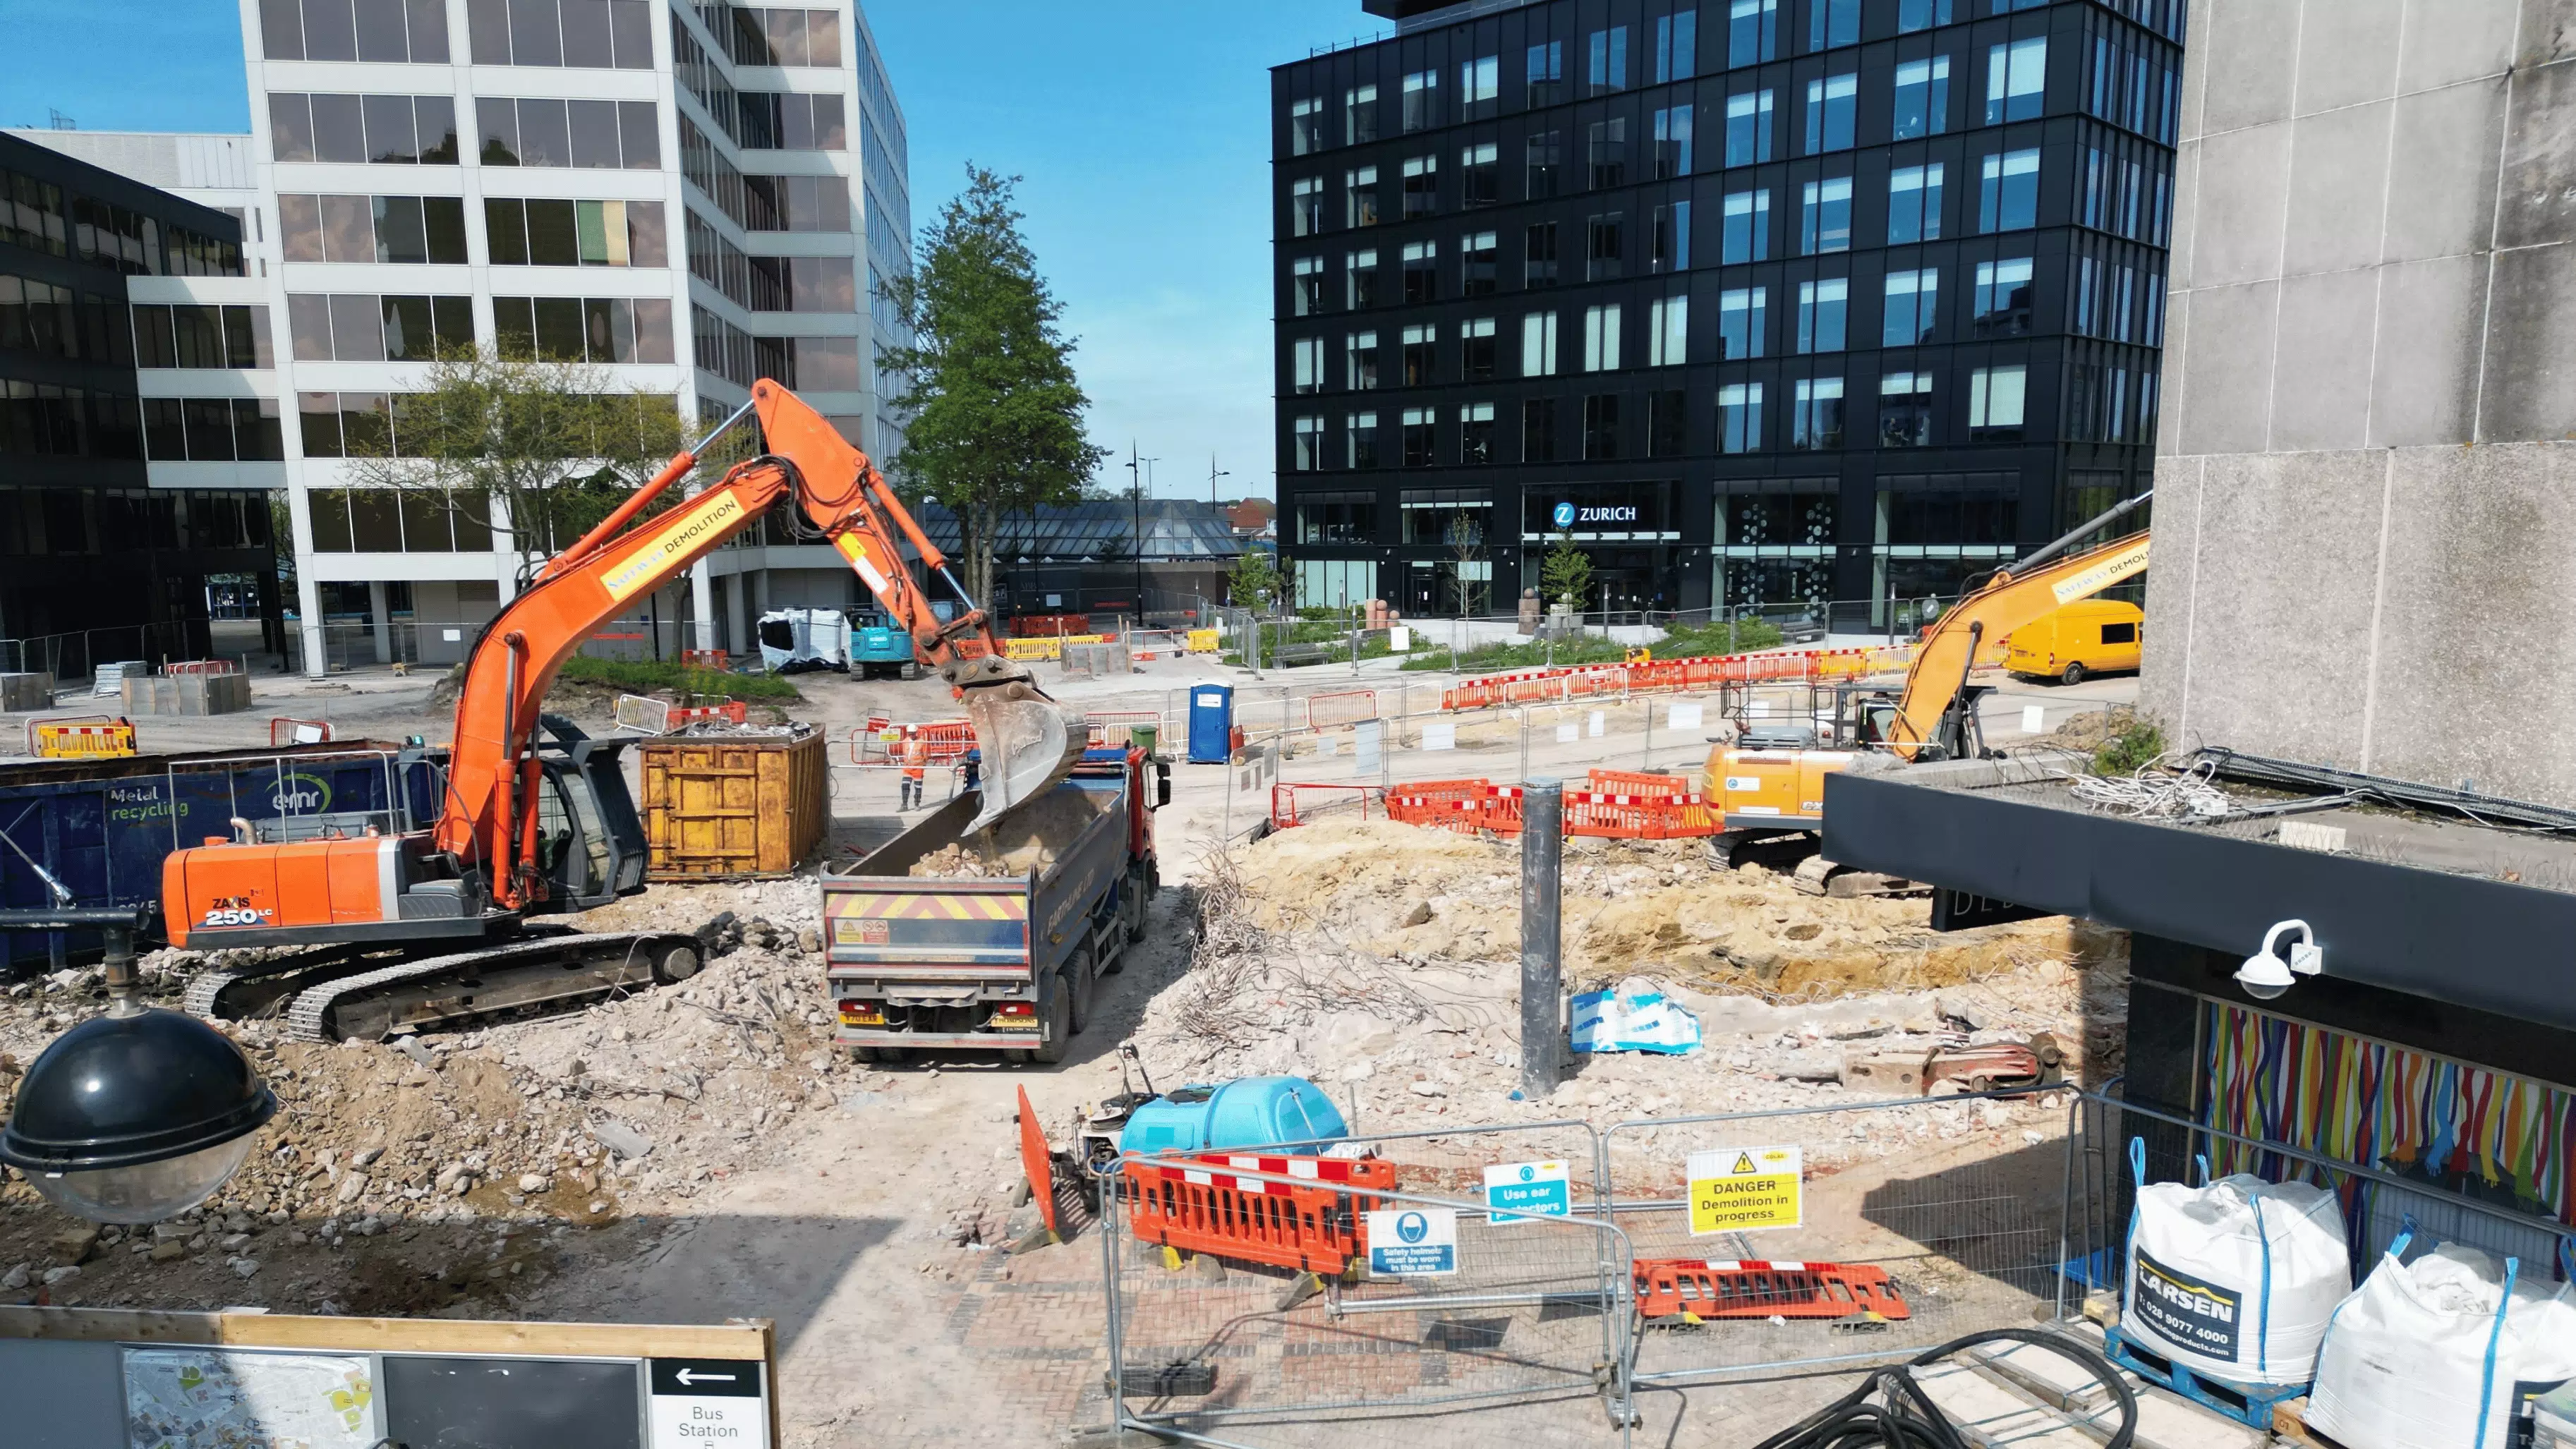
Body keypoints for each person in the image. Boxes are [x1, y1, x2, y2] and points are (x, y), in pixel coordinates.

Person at [899, 735, 928, 811]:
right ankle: (904, 805)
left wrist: (923, 765)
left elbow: (925, 754)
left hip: (918, 768)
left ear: (916, 733)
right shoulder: (905, 741)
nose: (911, 735)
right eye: (910, 733)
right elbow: (904, 753)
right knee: (905, 786)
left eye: (913, 733)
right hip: (907, 768)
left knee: (918, 787)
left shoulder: (922, 742)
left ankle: (917, 804)